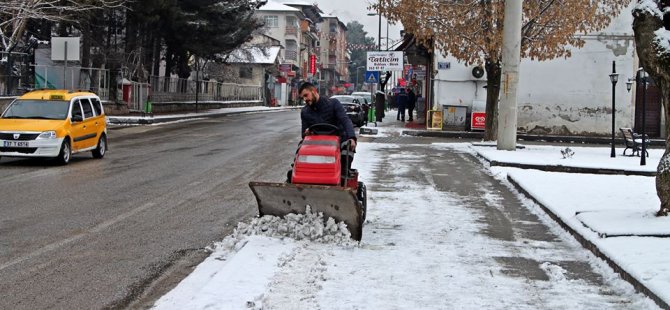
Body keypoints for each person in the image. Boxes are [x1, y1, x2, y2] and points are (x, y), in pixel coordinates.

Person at [298, 82, 357, 174]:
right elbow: (303, 134)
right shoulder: (305, 112)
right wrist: (306, 133)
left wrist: (352, 137)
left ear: (314, 91)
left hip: (338, 140)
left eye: (306, 95)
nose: (305, 99)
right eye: (303, 98)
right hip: (317, 142)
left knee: (348, 146)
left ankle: (343, 174)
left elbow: (345, 120)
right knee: (301, 146)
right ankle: (299, 172)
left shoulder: (333, 104)